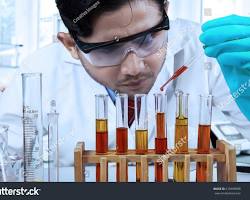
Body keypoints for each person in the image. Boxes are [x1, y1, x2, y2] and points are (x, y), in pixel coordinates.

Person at [0, 0, 249, 167]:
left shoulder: (208, 51)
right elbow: (6, 157)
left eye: (149, 38)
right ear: (71, 45)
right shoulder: (42, 69)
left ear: (166, 11)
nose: (134, 68)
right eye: (108, 49)